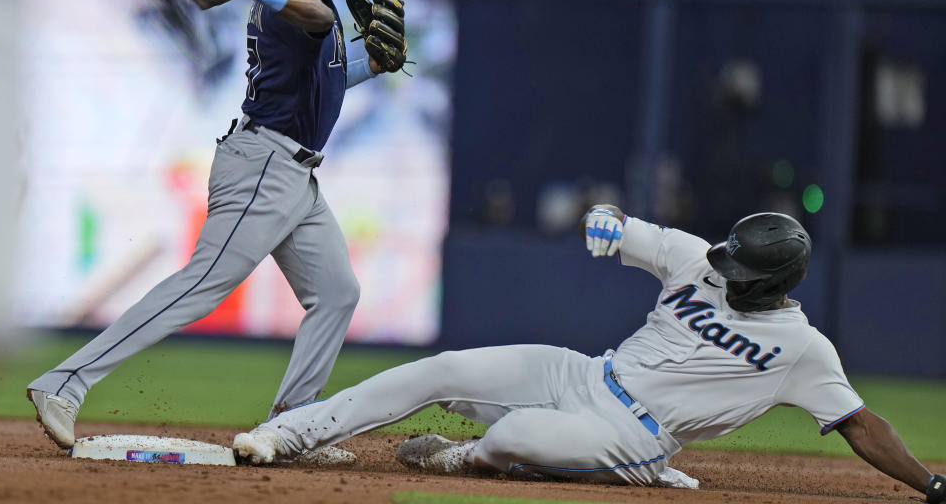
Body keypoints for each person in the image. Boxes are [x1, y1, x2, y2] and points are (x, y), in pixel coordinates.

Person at [27, 0, 399, 465]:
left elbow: (325, 79)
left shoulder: (301, 6)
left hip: (295, 176)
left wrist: (373, 65)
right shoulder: (295, 4)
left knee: (337, 293)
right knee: (203, 284)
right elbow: (319, 17)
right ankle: (65, 381)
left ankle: (292, 423)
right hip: (263, 167)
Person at [232, 207, 945, 502]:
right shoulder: (698, 257)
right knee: (442, 369)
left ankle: (469, 457)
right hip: (585, 372)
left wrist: (931, 485)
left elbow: (860, 423)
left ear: (774, 284)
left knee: (511, 436)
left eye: (738, 272)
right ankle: (290, 433)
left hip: (634, 436)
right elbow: (614, 223)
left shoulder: (803, 351)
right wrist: (604, 224)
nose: (721, 271)